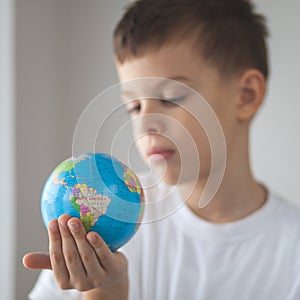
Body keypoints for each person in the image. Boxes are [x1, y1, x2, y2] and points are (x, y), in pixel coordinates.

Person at [23, 0, 300, 299]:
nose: (146, 122)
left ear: (246, 96)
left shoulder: (292, 251)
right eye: (134, 106)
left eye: (171, 97)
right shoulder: (102, 216)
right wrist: (106, 289)